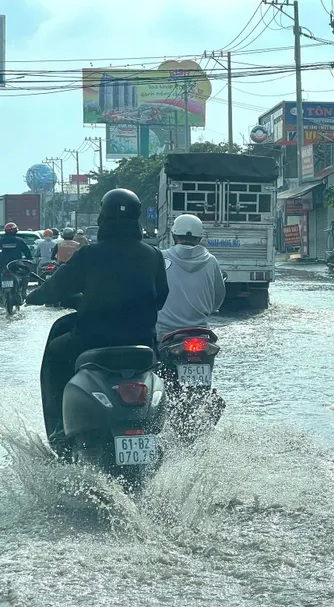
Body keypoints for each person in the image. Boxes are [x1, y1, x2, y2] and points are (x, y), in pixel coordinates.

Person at [26, 189, 169, 456]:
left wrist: (35, 296)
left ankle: (58, 429)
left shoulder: (89, 254)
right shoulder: (153, 255)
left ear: (104, 217)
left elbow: (56, 288)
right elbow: (161, 298)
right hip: (141, 343)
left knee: (56, 354)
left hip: (93, 340)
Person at [155, 214, 226, 342]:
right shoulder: (211, 261)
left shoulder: (161, 257)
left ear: (174, 236)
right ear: (199, 238)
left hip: (165, 331)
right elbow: (218, 297)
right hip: (200, 331)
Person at [1, 223, 34, 299]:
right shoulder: (19, 240)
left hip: (3, 264)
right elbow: (27, 252)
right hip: (16, 264)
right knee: (25, 276)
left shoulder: (1, 240)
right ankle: (23, 293)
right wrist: (29, 258)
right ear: (15, 231)